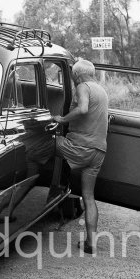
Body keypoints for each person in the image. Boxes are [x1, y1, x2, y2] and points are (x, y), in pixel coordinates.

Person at [52, 59, 108, 254]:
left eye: (74, 76)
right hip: (98, 151)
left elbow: (83, 108)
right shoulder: (101, 90)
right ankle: (90, 243)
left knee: (46, 143)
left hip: (80, 148)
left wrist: (62, 119)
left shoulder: (83, 86)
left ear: (77, 75)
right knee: (89, 196)